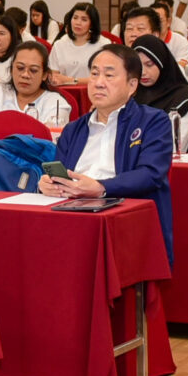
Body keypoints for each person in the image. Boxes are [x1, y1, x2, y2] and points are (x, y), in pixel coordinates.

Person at [42, 45, 175, 258]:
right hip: (73, 218)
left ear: (132, 85)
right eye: (94, 74)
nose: (98, 82)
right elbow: (62, 175)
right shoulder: (73, 129)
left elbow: (150, 174)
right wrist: (49, 185)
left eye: (109, 75)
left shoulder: (153, 121)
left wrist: (101, 188)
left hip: (125, 221)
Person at [0, 39, 71, 131]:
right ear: (11, 69)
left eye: (33, 70)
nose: (25, 75)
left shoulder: (56, 103)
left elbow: (48, 137)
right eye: (20, 68)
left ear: (45, 75)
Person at [129, 34, 188, 149]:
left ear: (162, 63)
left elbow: (176, 147)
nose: (143, 72)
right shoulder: (130, 93)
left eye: (149, 64)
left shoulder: (183, 99)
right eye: (138, 66)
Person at [48, 3, 107, 85]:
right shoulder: (59, 44)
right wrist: (55, 79)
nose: (78, 23)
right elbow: (53, 75)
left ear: (92, 24)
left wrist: (71, 80)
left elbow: (105, 77)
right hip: (64, 91)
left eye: (84, 20)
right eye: (75, 18)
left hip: (94, 90)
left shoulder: (103, 45)